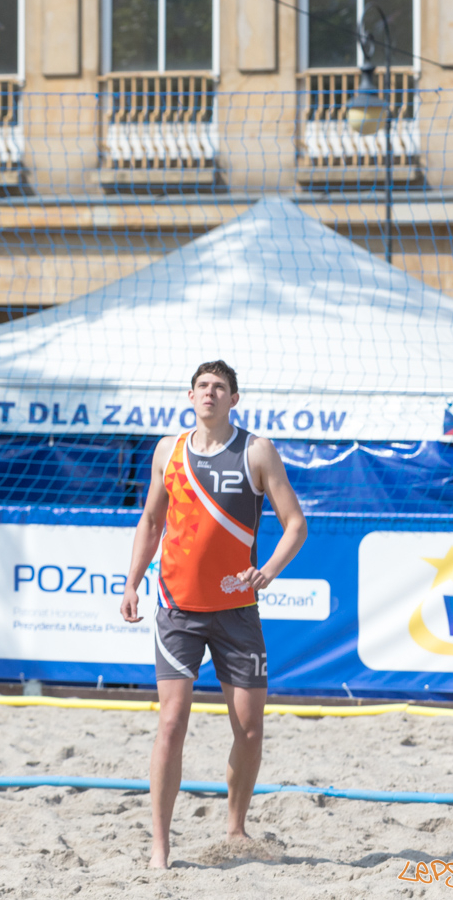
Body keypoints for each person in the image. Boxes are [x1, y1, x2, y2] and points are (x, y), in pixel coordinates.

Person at [119, 361, 308, 870]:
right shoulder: (169, 450)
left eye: (219, 387)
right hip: (178, 609)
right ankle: (160, 847)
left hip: (237, 611)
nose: (209, 393)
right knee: (171, 723)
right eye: (202, 386)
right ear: (190, 395)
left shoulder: (256, 451)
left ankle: (235, 828)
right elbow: (151, 521)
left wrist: (266, 571)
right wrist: (133, 581)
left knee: (248, 729)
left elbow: (295, 526)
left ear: (234, 399)